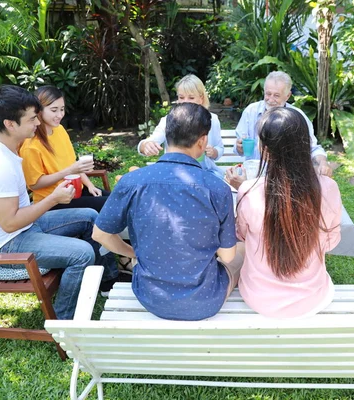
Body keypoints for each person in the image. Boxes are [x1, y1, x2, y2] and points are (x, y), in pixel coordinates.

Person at [0, 85, 117, 320]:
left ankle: (108, 281)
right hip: (7, 242)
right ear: (9, 124)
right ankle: (63, 323)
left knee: (91, 217)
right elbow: (9, 224)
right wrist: (53, 199)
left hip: (24, 225)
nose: (37, 123)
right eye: (31, 119)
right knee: (82, 254)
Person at [93, 103, 243, 321]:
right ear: (202, 141)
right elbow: (227, 255)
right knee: (242, 251)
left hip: (150, 297)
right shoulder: (217, 187)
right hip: (205, 300)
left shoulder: (132, 181)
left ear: (167, 135)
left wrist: (133, 253)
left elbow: (100, 234)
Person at [235, 107, 342, 318]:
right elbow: (330, 242)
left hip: (258, 297)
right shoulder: (328, 188)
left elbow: (242, 238)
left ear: (264, 149)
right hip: (313, 298)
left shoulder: (248, 191)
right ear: (305, 144)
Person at [227, 71, 332, 190]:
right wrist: (239, 147)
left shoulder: (297, 117)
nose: (270, 99)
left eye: (276, 95)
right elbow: (238, 148)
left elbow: (313, 148)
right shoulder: (250, 112)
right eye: (268, 94)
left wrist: (323, 163)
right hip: (254, 178)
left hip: (287, 179)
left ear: (287, 96)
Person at [19, 86, 110, 212]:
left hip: (76, 190)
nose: (60, 115)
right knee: (113, 206)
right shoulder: (31, 145)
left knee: (118, 199)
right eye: (54, 110)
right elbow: (35, 184)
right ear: (39, 111)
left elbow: (73, 164)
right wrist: (68, 171)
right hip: (53, 201)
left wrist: (89, 185)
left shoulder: (59, 130)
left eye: (62, 109)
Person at [137, 75, 225, 179]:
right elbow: (147, 143)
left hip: (205, 172)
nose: (185, 102)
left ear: (201, 98)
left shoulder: (212, 120)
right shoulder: (169, 119)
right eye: (181, 97)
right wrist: (146, 146)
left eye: (191, 98)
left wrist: (214, 152)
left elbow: (219, 148)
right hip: (175, 173)